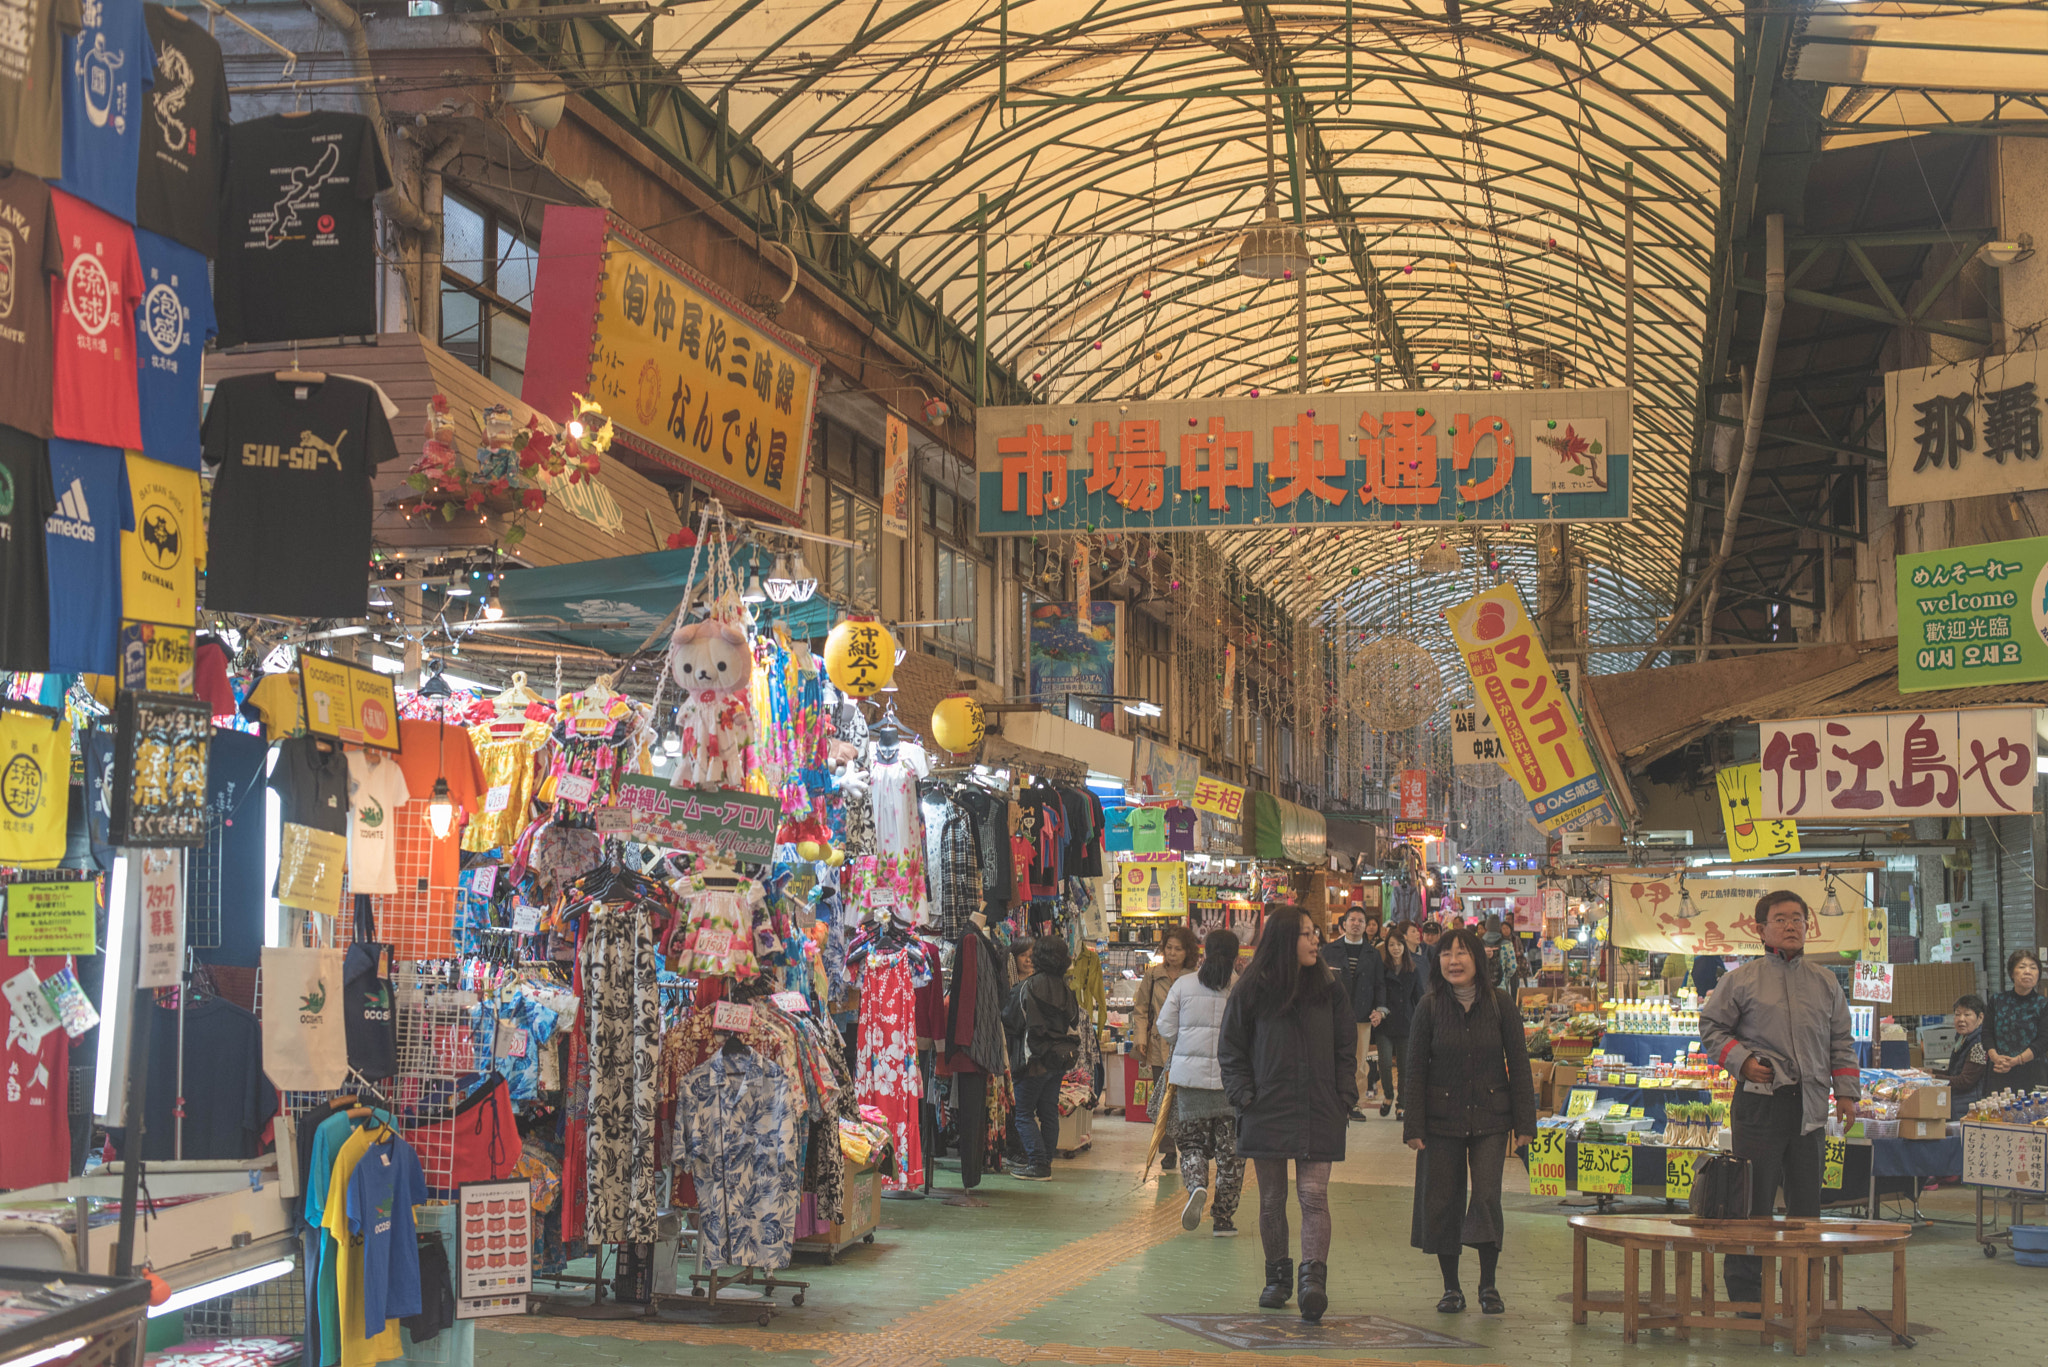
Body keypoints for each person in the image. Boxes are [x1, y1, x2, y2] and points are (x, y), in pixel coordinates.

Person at [1699, 890, 1859, 1309]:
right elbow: (1711, 1030)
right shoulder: (1740, 980)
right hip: (1759, 1105)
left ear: (1809, 927)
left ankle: (1803, 1293)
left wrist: (1846, 1093)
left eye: (1798, 919)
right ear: (1761, 929)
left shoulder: (1825, 982)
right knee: (1752, 1203)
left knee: (1806, 1206)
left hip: (1809, 1110)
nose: (1791, 926)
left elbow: (1841, 1041)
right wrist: (1743, 1061)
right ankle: (1747, 1296)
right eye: (1781, 919)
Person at [1218, 904, 1356, 1323]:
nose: (1317, 940)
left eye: (1316, 933)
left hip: (1319, 1107)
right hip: (1266, 1108)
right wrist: (1244, 1096)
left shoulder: (1331, 988)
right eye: (1307, 934)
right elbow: (1231, 1050)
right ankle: (1277, 1278)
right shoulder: (1252, 990)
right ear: (1283, 940)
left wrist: (1343, 1096)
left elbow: (1346, 1049)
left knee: (1313, 1195)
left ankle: (1313, 1280)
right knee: (1272, 1198)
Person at [1403, 925, 1537, 1315]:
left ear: (1479, 960)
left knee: (1485, 1198)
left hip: (1491, 1119)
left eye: (1462, 953)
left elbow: (1520, 1063)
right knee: (1443, 1199)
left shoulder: (1500, 1004)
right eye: (1446, 953)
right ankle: (1451, 1288)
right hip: (1440, 1120)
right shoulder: (1428, 1007)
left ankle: (1488, 1285)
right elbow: (1414, 1070)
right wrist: (1413, 1126)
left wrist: (1525, 1124)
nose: (1453, 961)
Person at [1159, 929, 1244, 1236]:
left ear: (1203, 952)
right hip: (1230, 1083)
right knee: (1230, 1153)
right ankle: (1223, 1219)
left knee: (1192, 1143)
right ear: (1235, 956)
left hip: (1189, 1082)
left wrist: (1183, 1044)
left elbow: (1165, 1027)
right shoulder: (1240, 988)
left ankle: (1196, 1185)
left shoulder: (1183, 984)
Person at [1011, 935, 1081, 1182]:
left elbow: (1010, 1020)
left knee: (1023, 1113)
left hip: (1033, 1059)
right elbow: (1074, 1021)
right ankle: (1045, 1159)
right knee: (1049, 1111)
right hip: (1058, 1059)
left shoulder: (1027, 987)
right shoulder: (1066, 989)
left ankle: (1039, 1163)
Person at [1134, 925, 1200, 1159]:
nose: (1172, 953)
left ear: (1187, 952)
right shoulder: (1153, 975)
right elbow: (1141, 1008)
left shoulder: (1195, 977)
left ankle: (1188, 1146)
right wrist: (1140, 1038)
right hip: (1158, 1046)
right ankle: (1167, 1150)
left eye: (1178, 949)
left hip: (1186, 1047)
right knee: (1162, 1098)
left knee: (1184, 1098)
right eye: (1169, 948)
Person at [1323, 907, 1382, 1120]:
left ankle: (1354, 1103)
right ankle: (1332, 1101)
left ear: (1366, 927)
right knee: (1330, 1057)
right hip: (1332, 1015)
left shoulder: (1373, 954)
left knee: (1359, 1061)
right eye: (1352, 920)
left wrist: (1380, 1010)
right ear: (1344, 925)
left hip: (1362, 1014)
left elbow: (1379, 985)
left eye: (1360, 921)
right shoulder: (1329, 950)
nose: (1356, 924)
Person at [1373, 923, 1423, 1119]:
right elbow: (1377, 992)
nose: (1395, 948)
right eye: (1391, 945)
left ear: (1404, 946)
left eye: (1399, 944)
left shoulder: (1413, 970)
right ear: (1387, 947)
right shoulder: (1382, 969)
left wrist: (1422, 1021)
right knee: (1384, 1063)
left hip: (1406, 1022)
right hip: (1385, 1023)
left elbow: (1419, 997)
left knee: (1404, 1067)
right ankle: (1388, 1095)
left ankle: (1402, 1104)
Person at [1987, 949, 2048, 1094]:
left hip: (2033, 1073)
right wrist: (1995, 1057)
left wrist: (2017, 1060)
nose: (2028, 971)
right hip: (1999, 1070)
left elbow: (2044, 1040)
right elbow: (1987, 1033)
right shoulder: (1997, 1000)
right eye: (2022, 967)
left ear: (2038, 974)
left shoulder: (2043, 1004)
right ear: (2012, 973)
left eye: (2033, 968)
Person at [1941, 994, 1991, 1117]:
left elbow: (1965, 1081)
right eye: (1957, 1014)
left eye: (1967, 1015)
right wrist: (1927, 1073)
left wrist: (1932, 1079)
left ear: (1980, 1018)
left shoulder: (1980, 1043)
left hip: (1970, 1107)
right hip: (1957, 1102)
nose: (1961, 1019)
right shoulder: (1962, 1038)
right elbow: (1954, 1073)